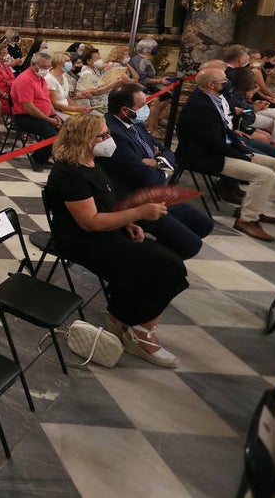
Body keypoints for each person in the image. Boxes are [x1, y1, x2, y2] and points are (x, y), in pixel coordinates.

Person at [44, 114, 189, 368]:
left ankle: (126, 318)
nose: (109, 140)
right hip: (82, 240)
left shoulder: (91, 161)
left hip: (105, 232)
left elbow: (105, 205)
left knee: (170, 264)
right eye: (103, 136)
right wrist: (139, 213)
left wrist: (127, 222)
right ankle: (140, 333)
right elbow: (89, 222)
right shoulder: (71, 173)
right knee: (167, 267)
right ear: (85, 140)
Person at [99, 84, 212, 260]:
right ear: (125, 110)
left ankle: (151, 261)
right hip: (133, 198)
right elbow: (148, 177)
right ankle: (147, 264)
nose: (147, 109)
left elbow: (165, 151)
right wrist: (161, 167)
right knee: (191, 245)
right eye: (141, 106)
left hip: (153, 192)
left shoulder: (135, 124)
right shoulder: (112, 132)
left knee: (203, 224)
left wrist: (155, 162)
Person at [176, 67, 275, 241]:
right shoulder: (201, 106)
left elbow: (226, 129)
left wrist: (244, 151)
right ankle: (247, 220)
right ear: (211, 84)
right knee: (265, 175)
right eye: (223, 81)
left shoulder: (213, 98)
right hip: (205, 156)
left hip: (219, 150)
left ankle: (249, 208)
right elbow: (212, 144)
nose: (227, 83)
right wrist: (243, 156)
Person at [10, 52, 62, 168]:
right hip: (25, 117)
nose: (46, 70)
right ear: (33, 64)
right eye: (43, 67)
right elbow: (29, 108)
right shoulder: (25, 80)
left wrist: (54, 115)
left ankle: (44, 156)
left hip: (43, 116)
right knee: (54, 137)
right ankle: (38, 159)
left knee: (67, 131)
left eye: (49, 67)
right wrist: (49, 120)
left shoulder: (40, 78)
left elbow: (47, 100)